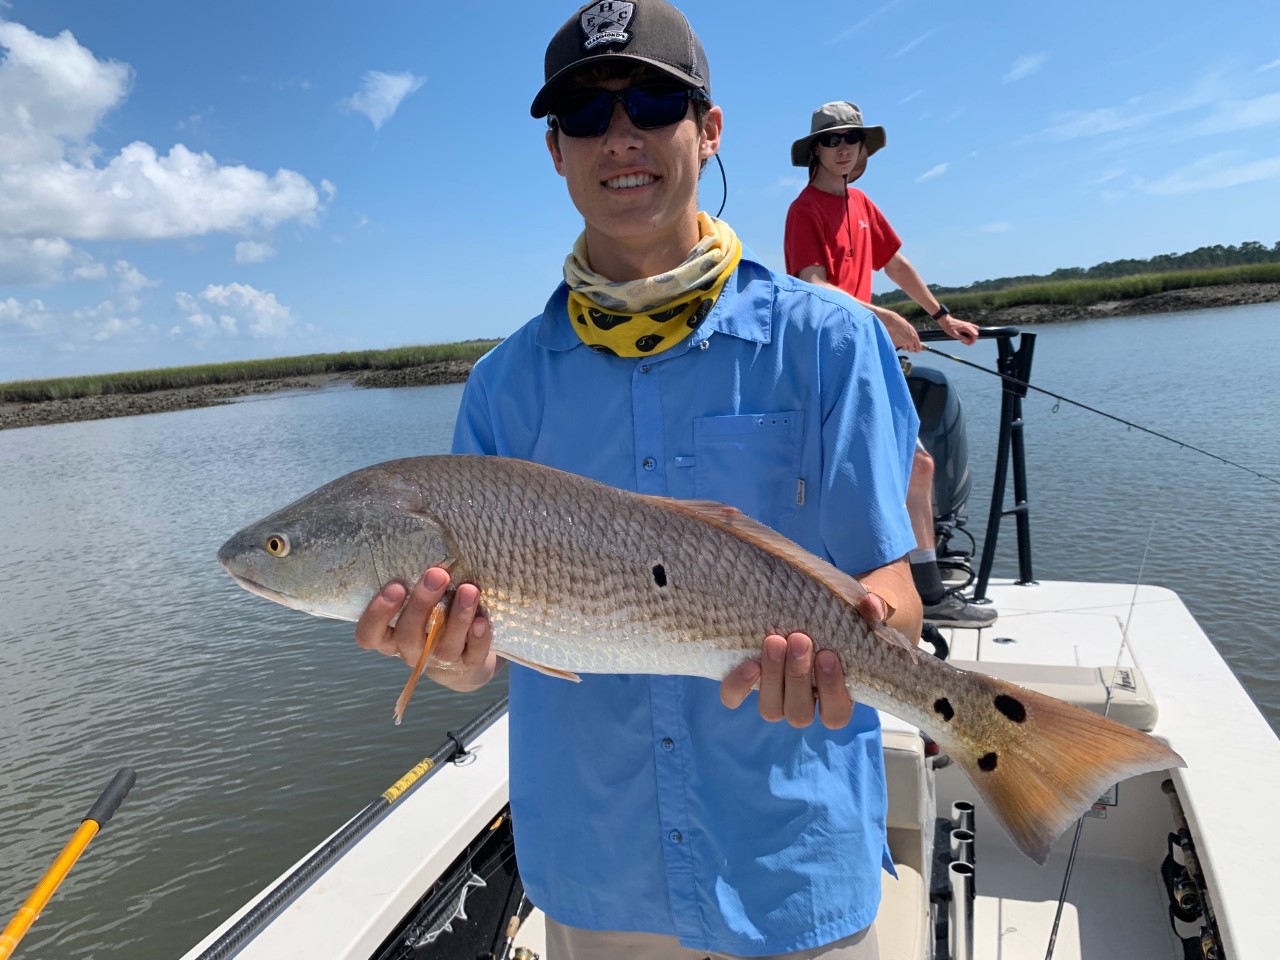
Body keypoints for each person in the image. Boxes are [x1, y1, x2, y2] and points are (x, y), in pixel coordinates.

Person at [356, 3, 921, 958]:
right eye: (585, 114)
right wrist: (447, 658)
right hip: (598, 870)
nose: (621, 135)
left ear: (708, 130)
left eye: (654, 101)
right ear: (555, 152)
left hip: (790, 856)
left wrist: (840, 653)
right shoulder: (503, 388)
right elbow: (483, 648)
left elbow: (896, 602)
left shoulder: (834, 342)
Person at [784, 101, 997, 630]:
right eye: (832, 140)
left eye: (852, 140)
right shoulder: (803, 209)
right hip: (833, 357)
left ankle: (919, 590)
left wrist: (940, 315)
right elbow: (811, 284)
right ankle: (908, 592)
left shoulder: (862, 205)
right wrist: (884, 317)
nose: (843, 148)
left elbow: (895, 262)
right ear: (815, 150)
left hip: (874, 351)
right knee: (895, 472)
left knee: (916, 469)